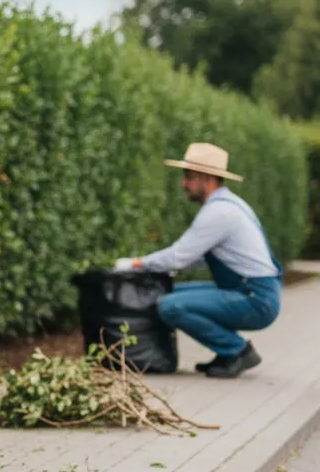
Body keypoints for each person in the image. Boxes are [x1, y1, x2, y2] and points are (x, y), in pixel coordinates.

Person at [113, 142, 283, 378]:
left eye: (189, 177)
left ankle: (237, 351)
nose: (183, 183)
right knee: (174, 293)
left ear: (207, 178)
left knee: (170, 306)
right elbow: (198, 257)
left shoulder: (218, 213)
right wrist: (162, 269)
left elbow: (178, 257)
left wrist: (136, 264)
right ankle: (226, 353)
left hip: (256, 299)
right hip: (251, 291)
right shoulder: (229, 205)